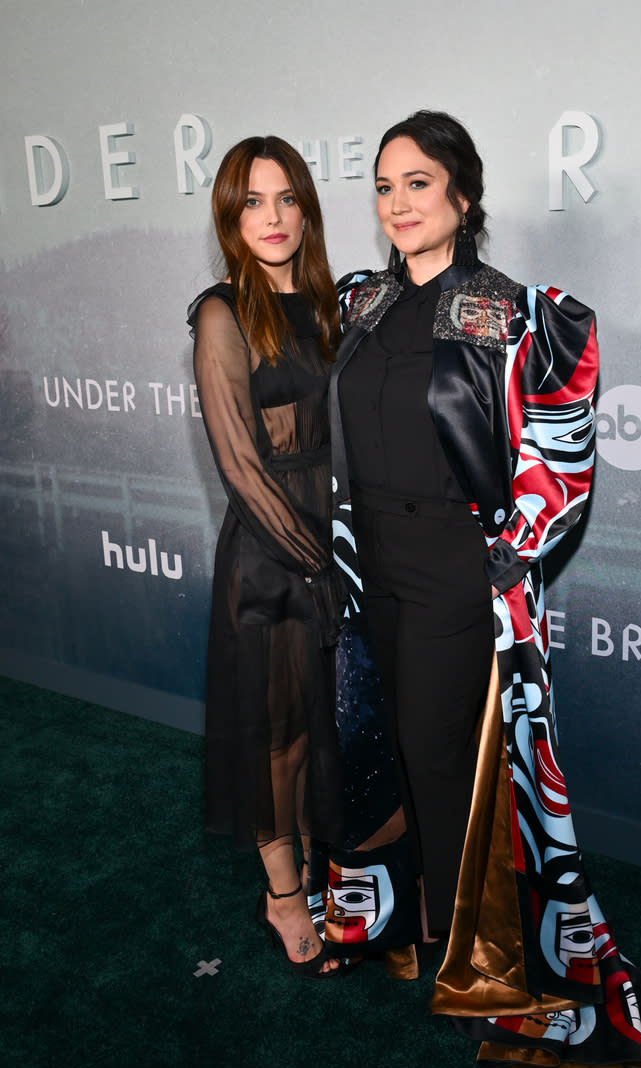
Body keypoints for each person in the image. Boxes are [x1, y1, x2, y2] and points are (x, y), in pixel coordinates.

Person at [324, 111, 641, 1068]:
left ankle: (485, 966)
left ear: (462, 198)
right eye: (384, 186)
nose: (397, 204)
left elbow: (555, 456)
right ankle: (430, 925)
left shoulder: (507, 312)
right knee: (391, 745)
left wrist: (508, 561)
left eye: (418, 184)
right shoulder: (361, 303)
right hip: (372, 572)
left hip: (451, 576)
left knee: (447, 761)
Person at [187, 136, 347, 978]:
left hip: (335, 544)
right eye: (253, 201)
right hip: (275, 556)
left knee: (329, 724)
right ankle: (283, 895)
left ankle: (329, 875)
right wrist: (317, 565)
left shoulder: (329, 303)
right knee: (280, 737)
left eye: (287, 198)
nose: (274, 217)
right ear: (229, 214)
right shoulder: (221, 311)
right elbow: (241, 466)